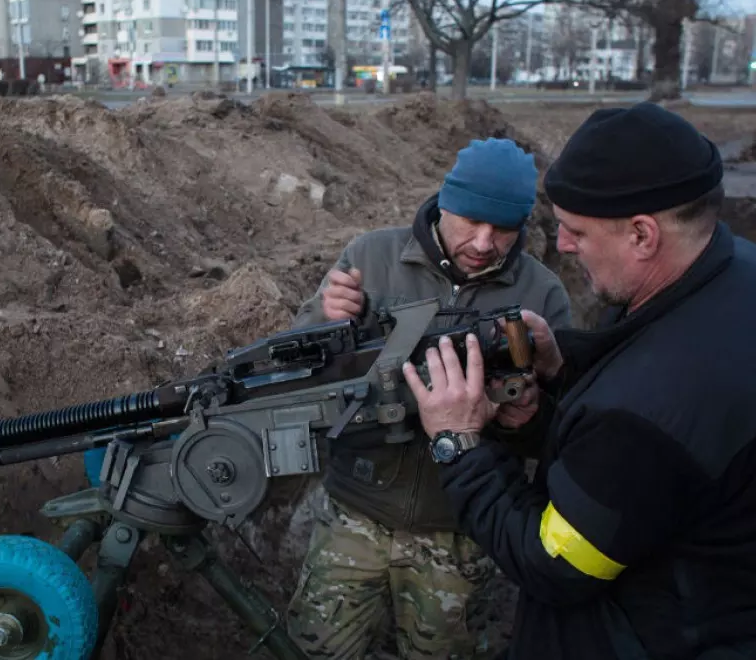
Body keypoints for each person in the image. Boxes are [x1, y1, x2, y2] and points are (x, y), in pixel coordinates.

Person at [403, 101, 756, 659]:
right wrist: (564, 363)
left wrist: (459, 442)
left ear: (642, 235)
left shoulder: (653, 410)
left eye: (575, 232)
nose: (561, 246)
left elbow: (553, 564)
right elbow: (642, 455)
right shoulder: (734, 273)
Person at [285, 137, 573, 659]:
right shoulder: (371, 257)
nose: (484, 243)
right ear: (444, 202)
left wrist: (522, 418)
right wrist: (324, 320)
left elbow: (561, 431)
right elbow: (298, 367)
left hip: (461, 537)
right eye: (470, 222)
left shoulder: (543, 294)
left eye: (503, 229)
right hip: (355, 516)